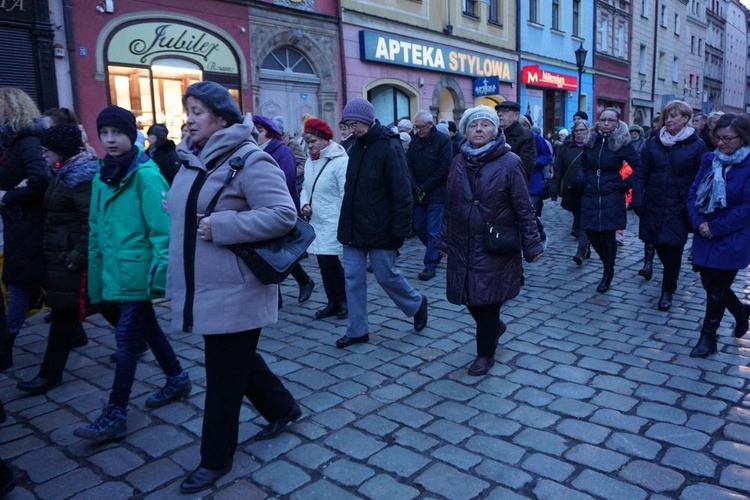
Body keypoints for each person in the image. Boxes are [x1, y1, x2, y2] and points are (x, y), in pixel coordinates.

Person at [171, 82, 301, 493]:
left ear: (221, 117)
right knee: (237, 361)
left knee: (223, 374)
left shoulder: (250, 159)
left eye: (196, 111)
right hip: (205, 284)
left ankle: (215, 459)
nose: (188, 119)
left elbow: (284, 214)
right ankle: (283, 408)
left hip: (237, 287)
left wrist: (224, 225)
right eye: (187, 110)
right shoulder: (194, 159)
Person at [74, 105, 191, 442]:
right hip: (117, 270)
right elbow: (97, 225)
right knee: (148, 328)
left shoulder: (146, 175)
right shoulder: (102, 173)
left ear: (131, 135)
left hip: (140, 271)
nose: (110, 140)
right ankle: (177, 377)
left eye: (117, 133)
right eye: (105, 133)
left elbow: (163, 230)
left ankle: (116, 411)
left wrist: (160, 275)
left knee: (127, 339)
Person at [438, 105, 542, 376]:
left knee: (487, 300)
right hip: (463, 241)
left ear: (496, 130)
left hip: (495, 243)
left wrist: (532, 243)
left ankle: (485, 354)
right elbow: (450, 203)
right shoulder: (458, 161)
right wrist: (445, 239)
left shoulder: (510, 162)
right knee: (470, 297)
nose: (479, 129)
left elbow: (523, 206)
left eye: (485, 124)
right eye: (474, 125)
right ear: (466, 131)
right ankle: (494, 328)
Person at [16, 125, 117, 394]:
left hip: (72, 257)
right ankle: (140, 339)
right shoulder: (62, 172)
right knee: (102, 304)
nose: (42, 153)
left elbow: (92, 221)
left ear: (61, 149)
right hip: (63, 254)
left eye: (46, 149)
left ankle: (49, 374)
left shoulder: (79, 176)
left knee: (65, 312)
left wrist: (80, 253)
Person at [336, 97, 428, 348]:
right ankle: (357, 330)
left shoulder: (389, 146)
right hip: (353, 226)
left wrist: (399, 231)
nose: (350, 128)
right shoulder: (352, 146)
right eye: (347, 124)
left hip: (381, 226)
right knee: (353, 278)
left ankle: (416, 304)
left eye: (354, 123)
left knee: (385, 275)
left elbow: (402, 192)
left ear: (367, 121)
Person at [631, 100, 707, 311]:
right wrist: (637, 198)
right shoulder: (654, 141)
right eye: (667, 115)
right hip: (653, 203)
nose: (669, 119)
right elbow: (641, 171)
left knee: (673, 250)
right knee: (658, 245)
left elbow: (701, 178)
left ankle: (667, 290)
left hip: (679, 206)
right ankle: (667, 278)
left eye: (674, 115)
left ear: (685, 118)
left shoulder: (696, 144)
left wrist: (692, 205)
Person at [686, 113, 750, 357]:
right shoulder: (709, 159)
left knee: (716, 289)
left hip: (733, 235)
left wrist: (716, 228)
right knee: (709, 283)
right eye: (717, 137)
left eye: (727, 139)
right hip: (705, 232)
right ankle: (741, 311)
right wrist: (700, 223)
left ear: (743, 139)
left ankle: (708, 338)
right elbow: (693, 193)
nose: (720, 143)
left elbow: (747, 207)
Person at [0, 87, 50, 372]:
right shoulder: (12, 143)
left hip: (30, 224)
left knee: (18, 283)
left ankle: (5, 344)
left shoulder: (27, 141)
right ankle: (74, 330)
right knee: (38, 282)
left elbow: (39, 180)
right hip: (19, 224)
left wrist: (7, 196)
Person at [577, 107, 641, 293]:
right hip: (590, 193)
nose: (606, 123)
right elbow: (583, 163)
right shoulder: (591, 140)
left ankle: (608, 272)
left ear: (617, 122)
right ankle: (607, 263)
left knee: (607, 235)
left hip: (611, 194)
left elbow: (640, 169)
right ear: (597, 120)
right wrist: (581, 178)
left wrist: (623, 185)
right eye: (602, 119)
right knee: (592, 233)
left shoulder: (622, 143)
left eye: (610, 120)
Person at [253, 115, 315, 307]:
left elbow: (286, 180)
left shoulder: (282, 151)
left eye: (261, 131)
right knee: (270, 251)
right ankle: (286, 291)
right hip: (262, 208)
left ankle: (302, 282)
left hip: (281, 207)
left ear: (270, 133)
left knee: (277, 251)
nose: (257, 135)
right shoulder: (255, 151)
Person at [299, 118, 348, 319]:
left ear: (325, 139)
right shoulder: (311, 161)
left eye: (313, 142)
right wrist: (304, 204)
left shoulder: (340, 161)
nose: (309, 146)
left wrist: (345, 221)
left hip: (333, 219)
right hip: (317, 220)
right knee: (323, 262)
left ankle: (344, 301)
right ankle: (333, 301)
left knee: (331, 263)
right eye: (307, 142)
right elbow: (305, 187)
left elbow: (346, 193)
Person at [407, 110, 452, 281]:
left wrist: (426, 186)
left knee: (434, 230)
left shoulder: (442, 140)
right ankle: (437, 250)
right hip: (419, 192)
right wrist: (414, 184)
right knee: (419, 227)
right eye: (416, 127)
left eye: (421, 127)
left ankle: (430, 264)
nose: (418, 130)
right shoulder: (415, 141)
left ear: (430, 125)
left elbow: (446, 166)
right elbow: (408, 163)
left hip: (437, 193)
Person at [550, 120, 591, 264]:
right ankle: (586, 245)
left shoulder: (592, 146)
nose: (579, 133)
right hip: (571, 190)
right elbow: (558, 169)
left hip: (589, 190)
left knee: (584, 219)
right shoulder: (566, 148)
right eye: (576, 130)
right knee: (578, 217)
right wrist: (554, 189)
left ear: (588, 130)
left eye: (582, 130)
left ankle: (581, 250)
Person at [527, 123, 553, 249]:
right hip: (512, 182)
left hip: (533, 183)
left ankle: (540, 236)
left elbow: (547, 156)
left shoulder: (536, 138)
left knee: (530, 214)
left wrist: (533, 163)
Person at [495, 101, 536, 182]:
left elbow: (525, 167)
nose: (500, 114)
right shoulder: (493, 134)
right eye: (498, 111)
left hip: (512, 186)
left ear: (516, 116)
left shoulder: (525, 136)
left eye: (505, 111)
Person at [273, 116, 307, 191]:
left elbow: (303, 162)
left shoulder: (291, 143)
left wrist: (291, 174)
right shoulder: (273, 144)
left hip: (292, 185)